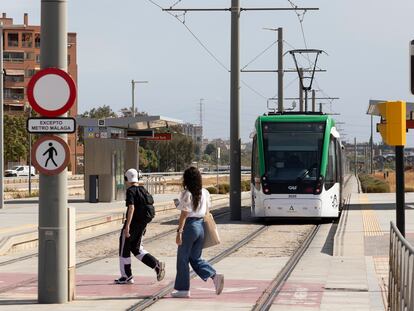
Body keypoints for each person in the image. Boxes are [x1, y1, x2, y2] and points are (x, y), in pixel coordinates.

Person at [171, 166, 224, 298]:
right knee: (195, 258)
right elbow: (206, 210)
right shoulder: (205, 192)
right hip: (201, 227)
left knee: (182, 258)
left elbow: (184, 215)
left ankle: (183, 289)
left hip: (190, 226)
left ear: (187, 179)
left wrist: (179, 232)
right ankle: (214, 276)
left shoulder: (187, 194)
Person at [114, 168, 165, 284]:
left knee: (124, 249)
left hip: (132, 224)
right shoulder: (144, 190)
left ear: (127, 179)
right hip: (142, 225)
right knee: (136, 249)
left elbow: (131, 208)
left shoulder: (131, 191)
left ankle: (126, 276)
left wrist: (127, 226)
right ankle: (156, 264)